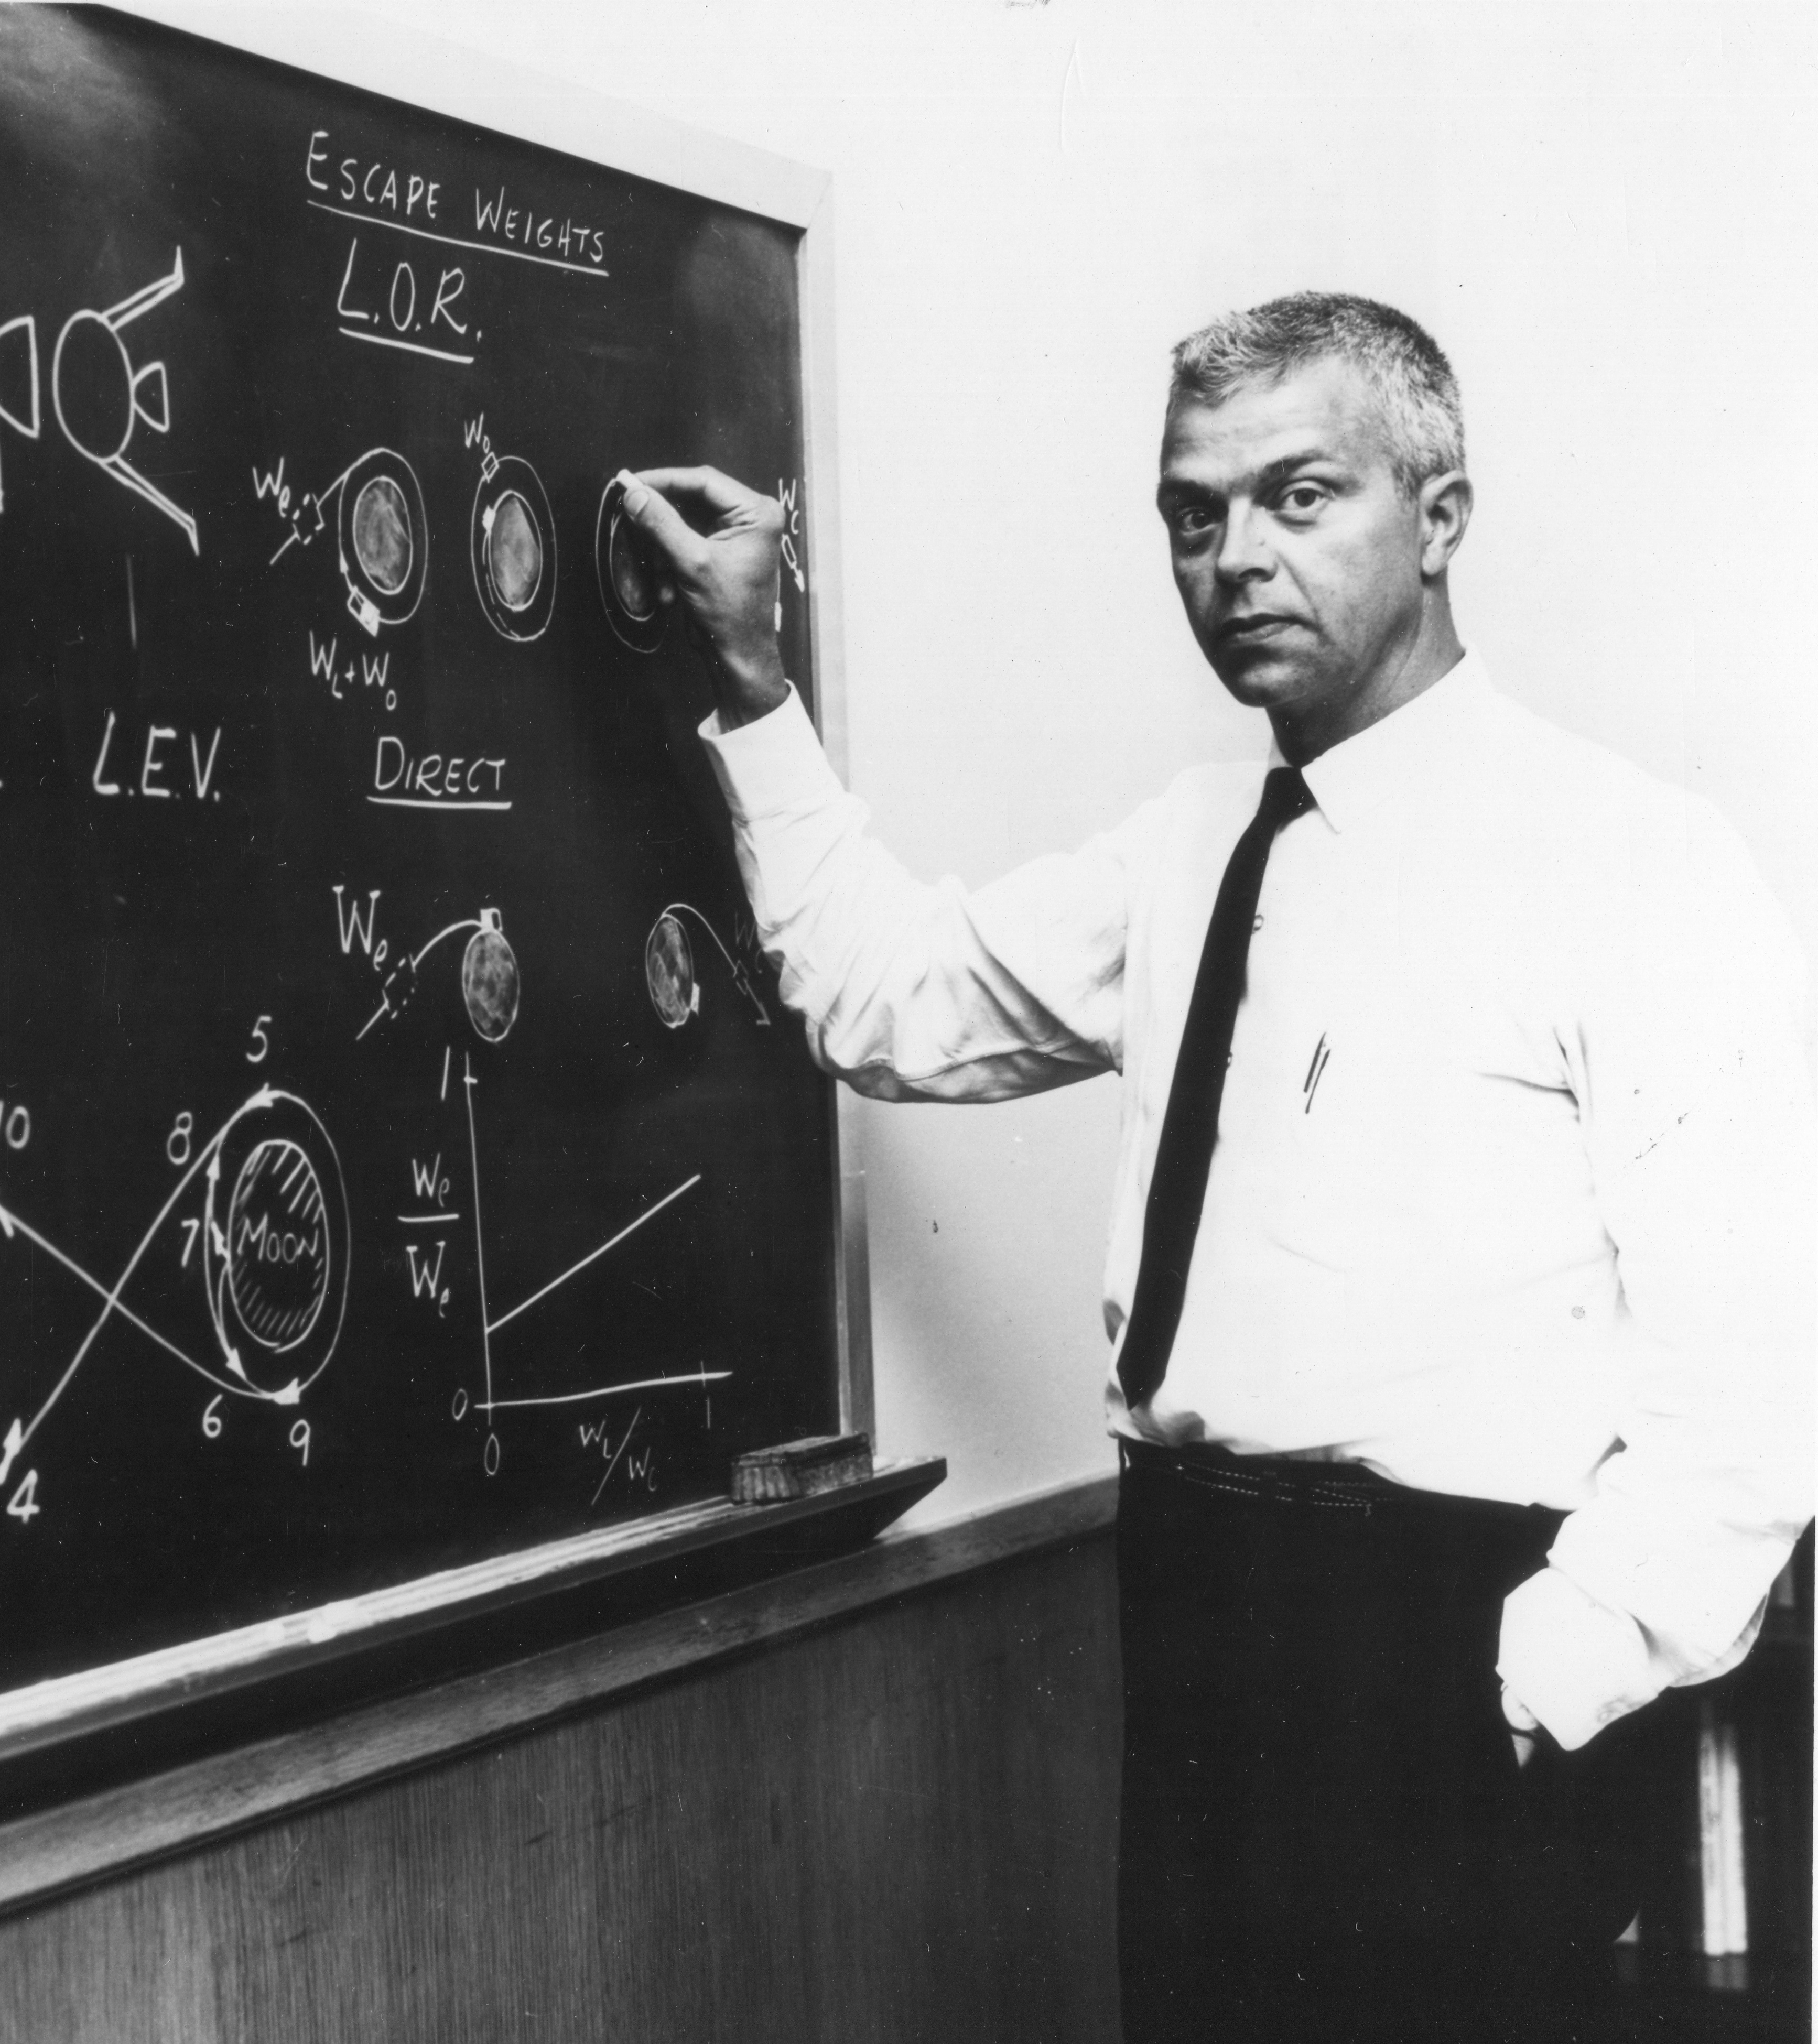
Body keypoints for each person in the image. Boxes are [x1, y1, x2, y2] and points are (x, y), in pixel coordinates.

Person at [616, 292, 1814, 2042]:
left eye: (1298, 495)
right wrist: (752, 686)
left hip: (1457, 1659)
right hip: (1195, 1619)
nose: (1235, 555)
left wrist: (1541, 1673)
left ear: (1441, 517)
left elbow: (1756, 1366)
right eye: (1194, 510)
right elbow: (884, 998)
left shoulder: (1631, 862)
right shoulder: (1181, 855)